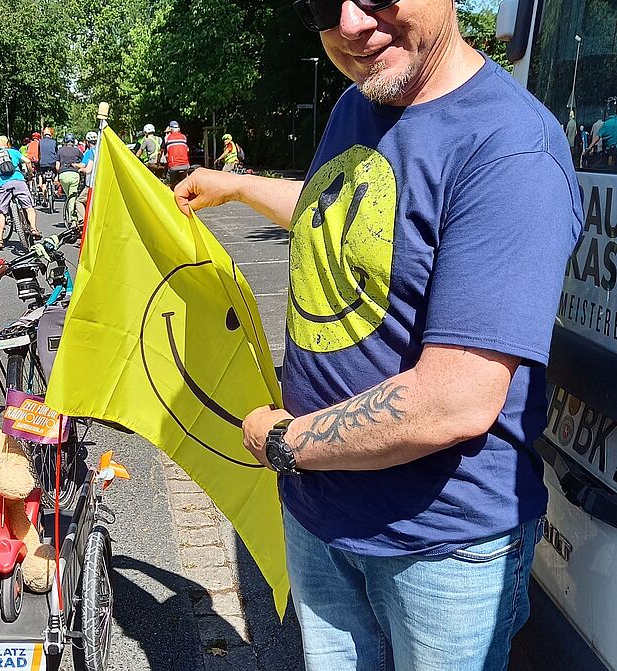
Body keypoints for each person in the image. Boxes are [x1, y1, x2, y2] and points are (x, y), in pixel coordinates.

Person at [174, 1, 582, 669]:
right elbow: (348, 207)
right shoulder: (359, 102)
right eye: (318, 6)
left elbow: (455, 398)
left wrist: (284, 440)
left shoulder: (509, 148)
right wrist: (238, 187)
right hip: (320, 515)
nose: (352, 24)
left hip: (438, 549)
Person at [0, 135, 40, 250]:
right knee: (29, 206)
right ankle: (33, 228)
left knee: (1, 212)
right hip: (19, 181)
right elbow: (28, 162)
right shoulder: (14, 152)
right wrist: (30, 174)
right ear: (7, 144)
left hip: (4, 184)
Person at [57, 132, 84, 222]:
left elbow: (57, 166)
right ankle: (73, 220)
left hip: (63, 175)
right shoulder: (77, 151)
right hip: (74, 175)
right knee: (72, 198)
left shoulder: (60, 151)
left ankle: (69, 217)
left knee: (68, 196)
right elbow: (83, 163)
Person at [74, 130, 98, 224]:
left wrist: (79, 168)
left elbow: (87, 168)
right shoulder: (102, 151)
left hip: (91, 183)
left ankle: (83, 222)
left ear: (87, 142)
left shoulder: (91, 152)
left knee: (79, 201)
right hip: (102, 183)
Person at [161, 120, 191, 189]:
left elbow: (164, 153)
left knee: (169, 183)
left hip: (173, 166)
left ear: (170, 129)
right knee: (183, 182)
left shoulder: (167, 138)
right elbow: (187, 150)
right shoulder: (184, 137)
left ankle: (167, 196)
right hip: (186, 166)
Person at [37, 127, 59, 194]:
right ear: (51, 134)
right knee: (56, 171)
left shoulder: (40, 142)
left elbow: (39, 153)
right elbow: (57, 153)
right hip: (52, 163)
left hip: (43, 163)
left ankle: (44, 194)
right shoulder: (54, 142)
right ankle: (55, 180)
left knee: (43, 177)